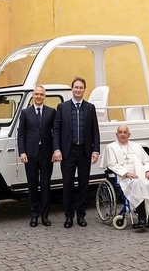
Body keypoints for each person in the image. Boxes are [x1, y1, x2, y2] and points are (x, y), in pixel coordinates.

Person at [52, 76, 100, 228]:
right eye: (76, 87)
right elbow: (57, 130)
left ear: (84, 90)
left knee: (84, 184)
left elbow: (95, 131)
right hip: (68, 152)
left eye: (81, 88)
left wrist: (96, 150)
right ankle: (68, 216)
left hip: (84, 152)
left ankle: (81, 215)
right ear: (72, 89)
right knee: (67, 184)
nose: (78, 90)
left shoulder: (90, 108)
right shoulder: (62, 107)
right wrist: (57, 149)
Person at [100, 125, 149, 226]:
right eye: (120, 132)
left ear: (129, 134)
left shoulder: (136, 146)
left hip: (140, 175)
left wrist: (148, 171)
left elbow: (147, 161)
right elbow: (112, 165)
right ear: (116, 134)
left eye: (125, 132)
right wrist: (126, 173)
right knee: (137, 183)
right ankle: (141, 217)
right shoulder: (111, 147)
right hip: (124, 178)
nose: (122, 134)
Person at [17, 85, 56, 227]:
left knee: (46, 185)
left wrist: (55, 150)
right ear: (33, 96)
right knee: (32, 186)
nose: (39, 96)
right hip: (30, 154)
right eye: (36, 94)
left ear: (44, 96)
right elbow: (21, 134)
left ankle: (45, 216)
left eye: (41, 94)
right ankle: (34, 215)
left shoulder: (51, 112)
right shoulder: (25, 113)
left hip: (46, 154)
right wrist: (22, 152)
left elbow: (55, 132)